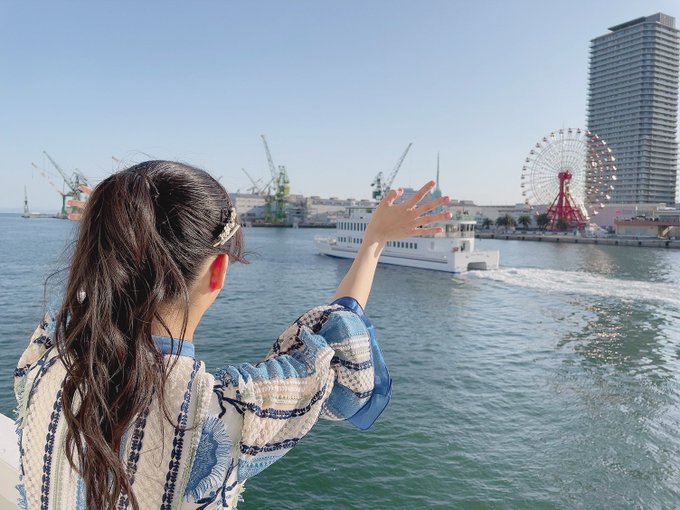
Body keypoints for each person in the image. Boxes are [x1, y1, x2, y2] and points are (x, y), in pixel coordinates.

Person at [14, 161, 450, 510]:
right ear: (218, 270)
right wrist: (372, 242)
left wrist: (115, 226)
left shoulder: (42, 359)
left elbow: (92, 297)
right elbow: (338, 346)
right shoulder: (225, 414)